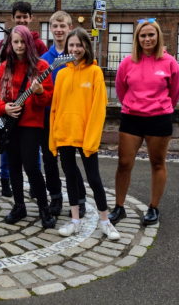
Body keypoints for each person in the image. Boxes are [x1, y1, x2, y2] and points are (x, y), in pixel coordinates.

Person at [110, 18, 179, 226]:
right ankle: (119, 207)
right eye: (143, 35)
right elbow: (121, 89)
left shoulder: (169, 62)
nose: (147, 39)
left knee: (157, 164)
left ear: (158, 36)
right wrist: (133, 105)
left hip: (159, 120)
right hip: (132, 118)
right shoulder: (127, 62)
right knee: (124, 164)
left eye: (151, 34)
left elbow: (176, 92)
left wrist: (160, 107)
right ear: (137, 38)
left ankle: (153, 208)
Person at [50, 28, 120, 240]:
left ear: (86, 47)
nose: (75, 48)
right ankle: (75, 222)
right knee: (70, 178)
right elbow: (56, 107)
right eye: (71, 45)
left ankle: (106, 222)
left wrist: (91, 138)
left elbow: (99, 108)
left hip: (85, 135)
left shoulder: (95, 72)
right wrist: (54, 137)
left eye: (79, 45)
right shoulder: (61, 73)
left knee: (94, 179)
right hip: (65, 134)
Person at [0, 25, 55, 229]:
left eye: (22, 42)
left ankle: (44, 209)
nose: (18, 46)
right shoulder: (4, 68)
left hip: (31, 125)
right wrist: (3, 108)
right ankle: (19, 206)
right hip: (10, 124)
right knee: (14, 166)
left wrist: (38, 92)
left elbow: (48, 99)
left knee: (32, 167)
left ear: (28, 43)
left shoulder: (42, 67)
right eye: (15, 42)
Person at [0, 1, 48, 198]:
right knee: (7, 148)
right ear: (13, 18)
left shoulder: (39, 43)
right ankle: (5, 180)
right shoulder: (5, 42)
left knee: (32, 153)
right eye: (18, 17)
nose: (22, 20)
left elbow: (43, 69)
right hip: (10, 105)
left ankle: (35, 186)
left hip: (31, 109)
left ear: (31, 18)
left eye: (25, 17)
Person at [40, 11, 88, 219]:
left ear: (70, 28)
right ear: (51, 29)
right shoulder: (43, 59)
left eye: (63, 26)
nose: (59, 30)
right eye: (55, 26)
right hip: (48, 116)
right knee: (49, 160)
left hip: (70, 117)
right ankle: (56, 197)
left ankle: (80, 200)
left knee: (69, 163)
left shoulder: (75, 56)